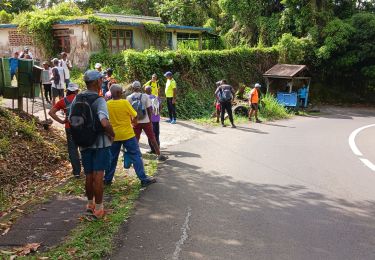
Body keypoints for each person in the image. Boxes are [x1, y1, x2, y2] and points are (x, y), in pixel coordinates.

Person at [69, 70, 115, 219]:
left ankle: (90, 205)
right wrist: (112, 133)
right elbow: (104, 121)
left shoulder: (78, 98)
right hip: (100, 143)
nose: (102, 82)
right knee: (98, 176)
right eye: (101, 80)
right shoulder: (99, 100)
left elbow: (71, 119)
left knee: (88, 175)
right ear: (97, 82)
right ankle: (99, 209)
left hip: (84, 142)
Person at [104, 84, 157, 186]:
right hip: (128, 134)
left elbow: (105, 119)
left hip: (114, 135)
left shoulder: (107, 104)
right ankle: (143, 179)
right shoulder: (124, 103)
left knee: (112, 158)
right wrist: (134, 122)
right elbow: (135, 115)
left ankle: (107, 179)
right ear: (119, 93)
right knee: (136, 155)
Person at [127, 81, 167, 161]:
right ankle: (159, 155)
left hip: (136, 122)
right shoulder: (145, 96)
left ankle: (134, 156)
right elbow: (149, 110)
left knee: (136, 139)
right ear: (140, 87)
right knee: (152, 138)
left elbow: (128, 112)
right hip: (146, 121)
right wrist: (150, 121)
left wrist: (131, 122)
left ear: (132, 88)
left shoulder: (129, 98)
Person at [49, 83, 81, 177]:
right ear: (76, 91)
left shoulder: (63, 101)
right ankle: (88, 170)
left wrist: (62, 121)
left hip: (69, 127)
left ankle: (76, 172)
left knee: (72, 149)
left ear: (67, 91)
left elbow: (51, 112)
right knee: (84, 146)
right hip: (82, 127)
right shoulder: (82, 99)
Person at [145, 86, 161, 154]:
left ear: (145, 91)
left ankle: (153, 149)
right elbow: (160, 106)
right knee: (157, 133)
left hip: (150, 119)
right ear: (151, 91)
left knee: (150, 135)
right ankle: (158, 147)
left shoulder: (145, 98)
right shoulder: (155, 97)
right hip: (157, 118)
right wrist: (157, 113)